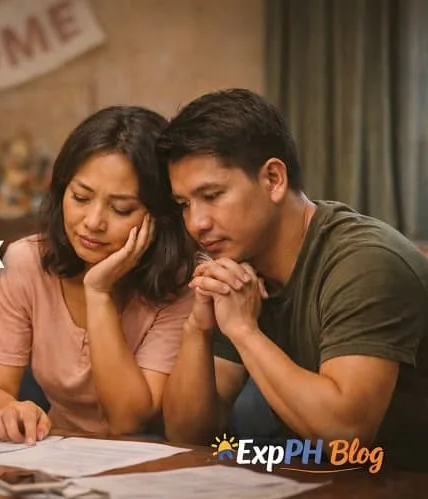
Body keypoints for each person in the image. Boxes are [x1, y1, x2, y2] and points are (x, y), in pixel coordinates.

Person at [159, 88, 428, 467]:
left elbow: (344, 438)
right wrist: (198, 329)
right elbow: (187, 434)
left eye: (213, 195)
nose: (196, 223)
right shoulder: (239, 266)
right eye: (185, 205)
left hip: (405, 494)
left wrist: (244, 331)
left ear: (273, 179)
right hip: (318, 483)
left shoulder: (365, 261)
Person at [0, 106, 195, 444]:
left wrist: (98, 292)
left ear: (160, 215)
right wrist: (7, 409)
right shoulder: (26, 261)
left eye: (121, 209)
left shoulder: (181, 284)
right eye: (80, 197)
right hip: (59, 451)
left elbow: (127, 420)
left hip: (152, 460)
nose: (93, 222)